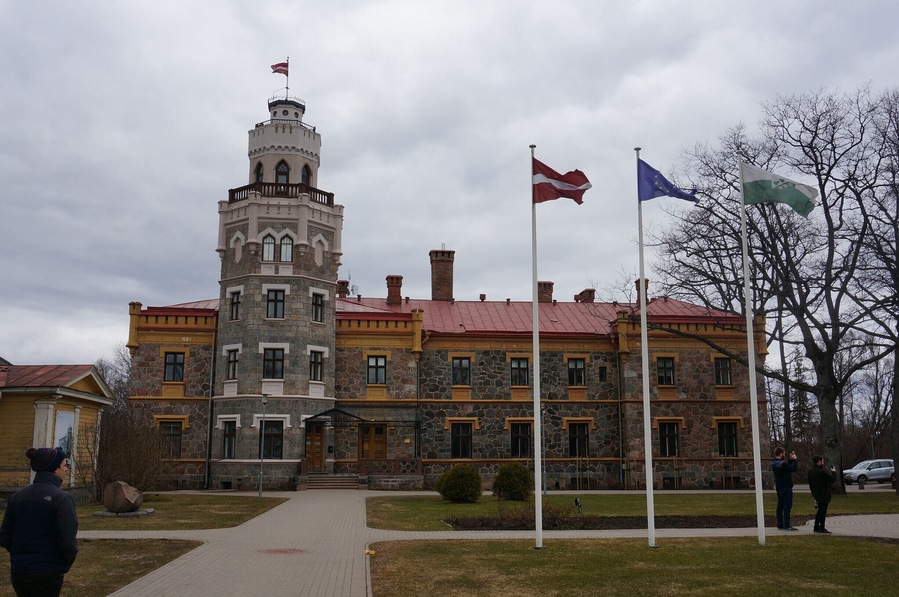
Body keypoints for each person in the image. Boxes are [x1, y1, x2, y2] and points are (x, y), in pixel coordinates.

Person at [0, 448, 78, 596]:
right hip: (48, 572)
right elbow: (68, 539)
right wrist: (64, 563)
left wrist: (20, 556)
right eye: (63, 465)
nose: (66, 469)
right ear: (55, 469)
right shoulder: (61, 499)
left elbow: (5, 536)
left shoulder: (17, 497)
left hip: (19, 572)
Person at [808, 455, 837, 534]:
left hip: (816, 493)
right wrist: (834, 472)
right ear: (819, 461)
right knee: (823, 511)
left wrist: (813, 493)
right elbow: (832, 480)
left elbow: (810, 483)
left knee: (819, 511)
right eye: (822, 461)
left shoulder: (811, 471)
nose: (823, 463)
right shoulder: (822, 472)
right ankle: (822, 527)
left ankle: (816, 526)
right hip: (823, 494)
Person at [771, 447, 798, 531]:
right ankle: (787, 524)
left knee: (780, 505)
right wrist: (794, 460)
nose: (784, 455)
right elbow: (792, 469)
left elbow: (787, 468)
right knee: (787, 506)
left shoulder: (774, 463)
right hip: (786, 486)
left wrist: (790, 460)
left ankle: (780, 523)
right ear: (780, 454)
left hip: (779, 486)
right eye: (783, 453)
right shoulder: (782, 464)